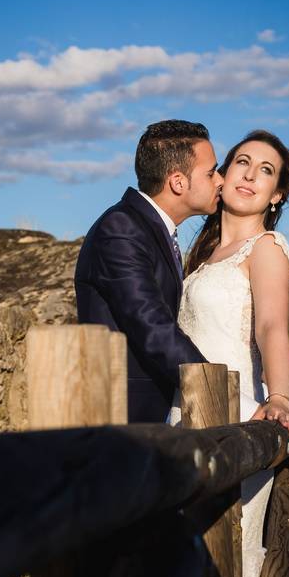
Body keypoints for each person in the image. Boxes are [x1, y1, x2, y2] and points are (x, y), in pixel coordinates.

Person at [179, 129, 289, 577]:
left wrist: (279, 397)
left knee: (228, 558)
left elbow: (272, 327)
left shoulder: (267, 248)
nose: (250, 174)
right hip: (186, 412)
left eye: (266, 170)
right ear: (224, 174)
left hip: (237, 414)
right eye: (242, 162)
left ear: (276, 194)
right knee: (180, 558)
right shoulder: (201, 255)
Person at [75, 119, 221, 423]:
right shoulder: (122, 229)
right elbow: (152, 326)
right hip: (122, 419)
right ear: (178, 182)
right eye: (211, 172)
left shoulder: (152, 230)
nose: (220, 180)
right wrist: (216, 390)